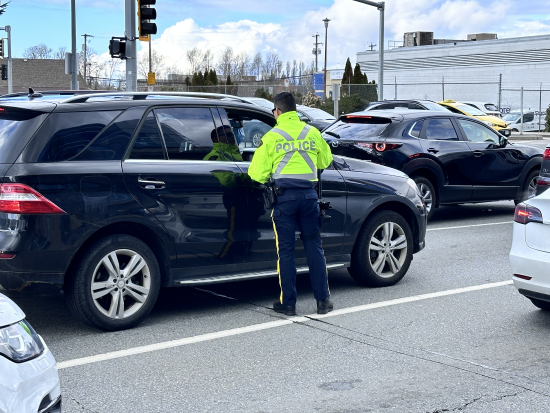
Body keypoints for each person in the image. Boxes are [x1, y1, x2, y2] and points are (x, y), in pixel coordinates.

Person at [248, 92, 334, 316]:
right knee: (314, 247)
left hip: (284, 199)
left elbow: (256, 174)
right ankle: (323, 301)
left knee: (285, 251)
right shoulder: (311, 132)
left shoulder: (272, 136)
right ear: (294, 110)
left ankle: (288, 303)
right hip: (309, 197)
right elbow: (326, 160)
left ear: (277, 111)